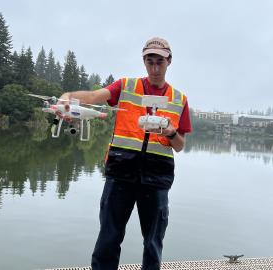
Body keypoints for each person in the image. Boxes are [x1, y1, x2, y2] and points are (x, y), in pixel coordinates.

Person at [57, 37, 192, 270]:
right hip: (120, 174)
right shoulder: (125, 86)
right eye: (150, 61)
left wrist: (170, 132)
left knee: (153, 243)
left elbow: (180, 146)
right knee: (108, 238)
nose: (155, 67)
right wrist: (68, 96)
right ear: (144, 61)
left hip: (157, 179)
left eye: (160, 61)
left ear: (169, 61)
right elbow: (93, 97)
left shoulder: (179, 99)